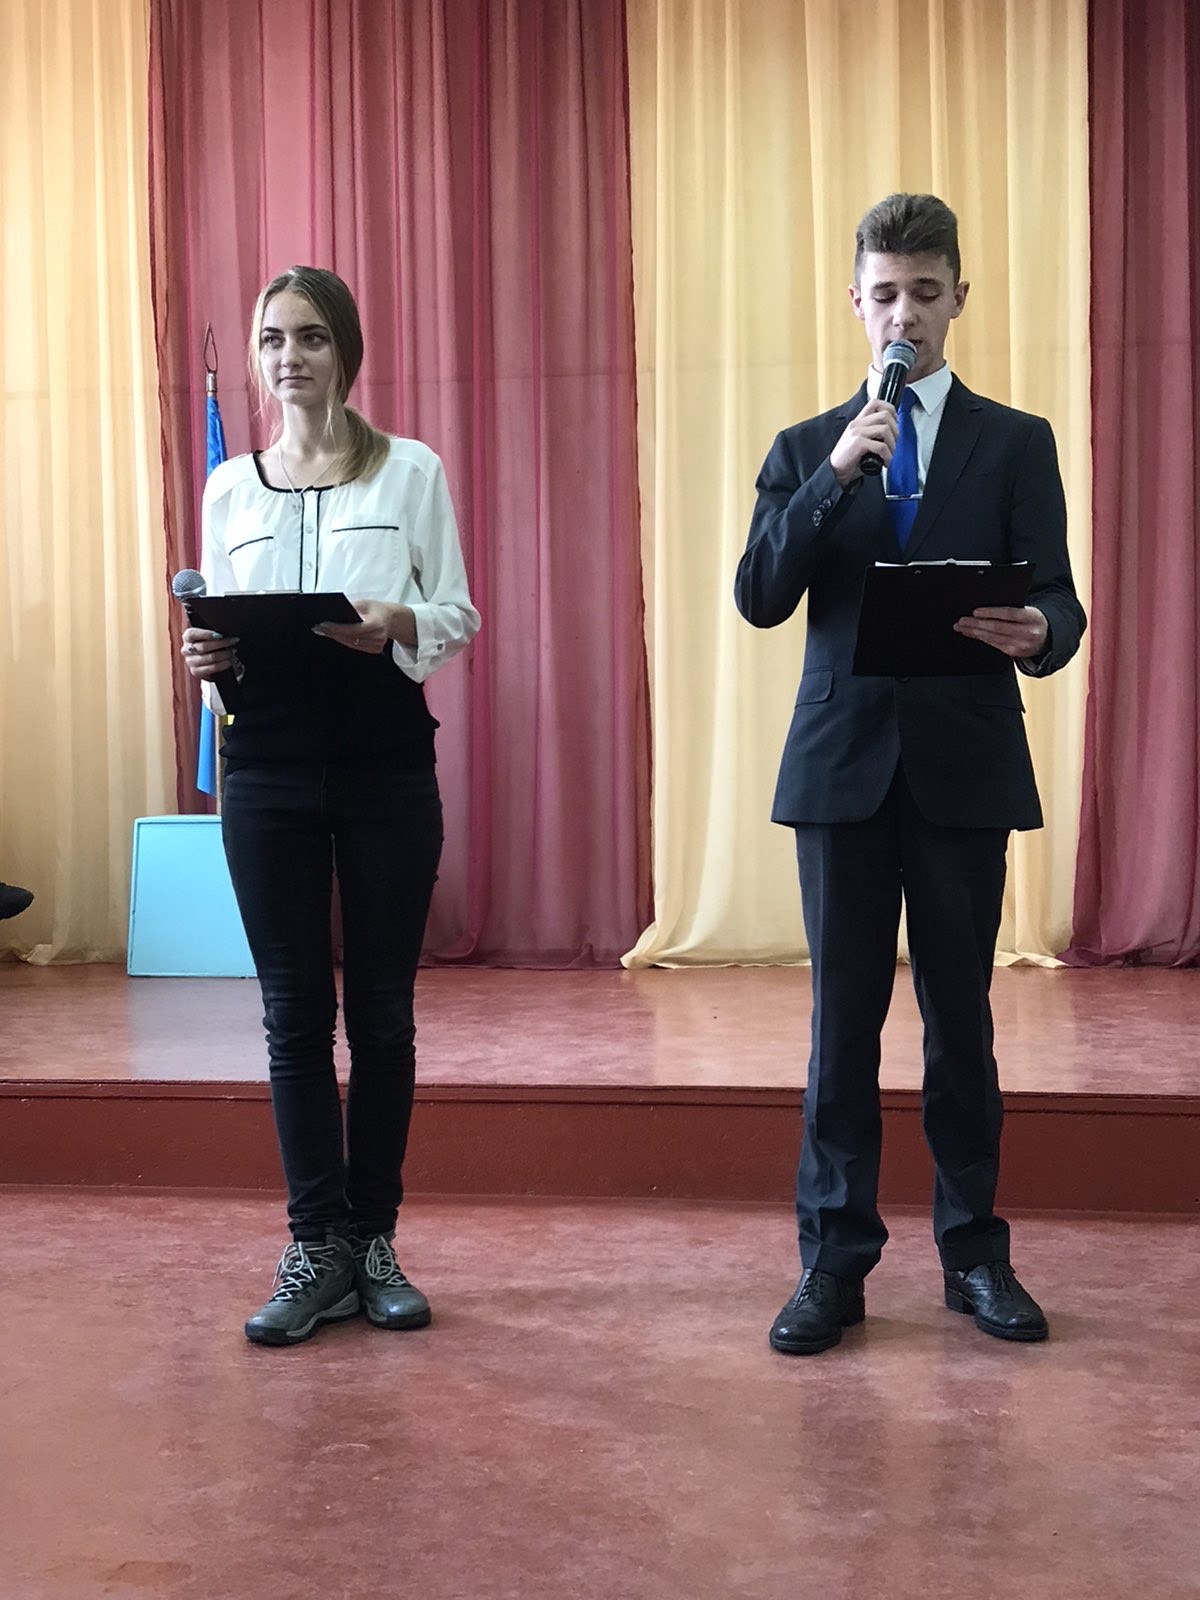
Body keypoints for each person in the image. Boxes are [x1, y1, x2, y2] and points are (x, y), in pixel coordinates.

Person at [735, 194, 1085, 1356]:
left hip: (964, 764)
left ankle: (975, 1253)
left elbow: (1058, 596)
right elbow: (761, 594)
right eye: (884, 294)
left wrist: (1044, 629)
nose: (904, 314)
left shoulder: (1017, 441)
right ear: (856, 302)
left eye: (925, 293)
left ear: (958, 299)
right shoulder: (807, 447)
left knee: (961, 1024)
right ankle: (831, 1265)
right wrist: (837, 474)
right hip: (841, 769)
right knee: (841, 1028)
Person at [182, 266, 480, 1347]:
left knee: (384, 1015)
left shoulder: (411, 470)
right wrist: (204, 660)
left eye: (309, 337)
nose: (289, 357)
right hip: (264, 773)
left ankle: (374, 1240)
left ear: (345, 351)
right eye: (272, 339)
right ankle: (315, 1246)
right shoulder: (230, 488)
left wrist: (400, 620)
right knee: (294, 1015)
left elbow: (458, 613)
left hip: (385, 768)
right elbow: (218, 641)